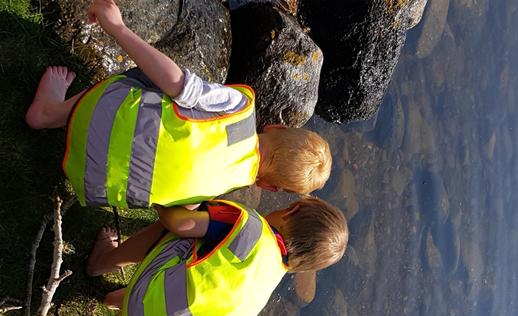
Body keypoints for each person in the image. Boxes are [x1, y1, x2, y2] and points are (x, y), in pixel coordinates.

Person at [25, 0, 332, 209]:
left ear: (275, 126)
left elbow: (177, 82)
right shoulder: (226, 186)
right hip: (85, 181)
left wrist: (117, 28)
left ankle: (50, 114)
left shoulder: (240, 108)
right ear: (269, 187)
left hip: (92, 117)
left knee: (155, 82)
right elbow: (181, 202)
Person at [87, 196, 348, 316]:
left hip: (143, 313)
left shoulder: (250, 226)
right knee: (208, 277)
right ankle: (119, 300)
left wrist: (160, 193)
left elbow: (178, 222)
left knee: (191, 223)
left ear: (292, 209)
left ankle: (104, 260)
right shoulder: (271, 278)